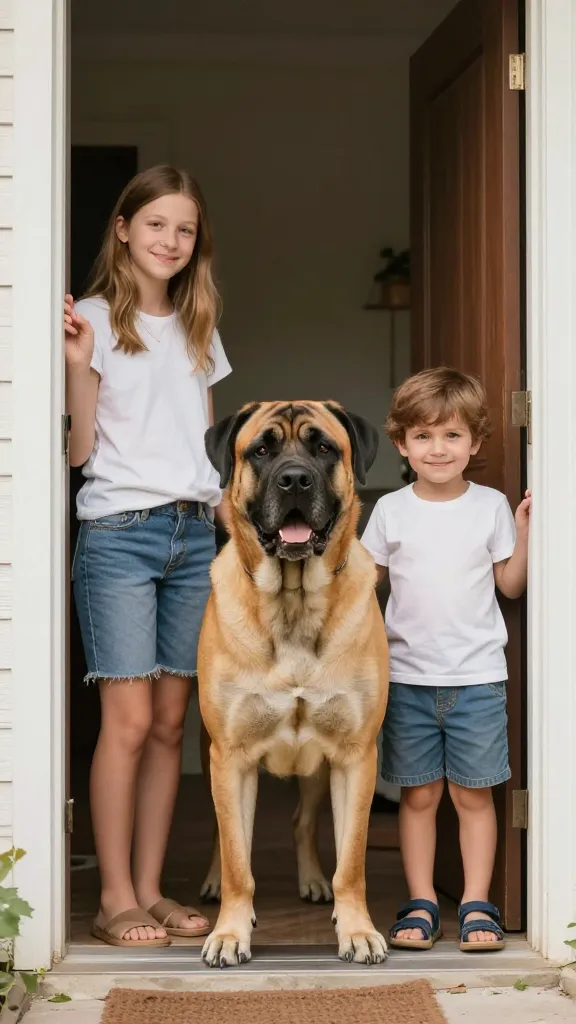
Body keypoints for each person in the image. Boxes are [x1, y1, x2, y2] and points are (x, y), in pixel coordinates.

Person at [64, 165, 231, 948]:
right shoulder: (90, 319)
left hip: (196, 535)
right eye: (156, 223)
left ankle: (154, 889)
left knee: (171, 724)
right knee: (126, 722)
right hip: (120, 536)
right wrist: (75, 367)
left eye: (185, 229)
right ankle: (114, 898)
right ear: (124, 229)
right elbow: (79, 450)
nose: (170, 240)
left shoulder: (200, 328)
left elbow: (207, 451)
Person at [361, 367, 530, 953]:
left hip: (477, 678)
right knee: (419, 795)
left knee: (473, 795)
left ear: (475, 443)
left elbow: (509, 585)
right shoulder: (389, 510)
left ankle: (478, 903)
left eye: (452, 435)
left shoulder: (490, 507)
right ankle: (423, 901)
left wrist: (527, 534)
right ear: (403, 443)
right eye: (424, 436)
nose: (438, 449)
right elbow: (363, 584)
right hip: (407, 678)